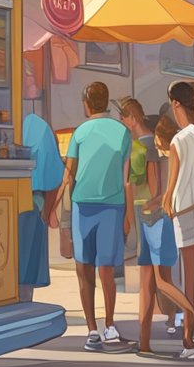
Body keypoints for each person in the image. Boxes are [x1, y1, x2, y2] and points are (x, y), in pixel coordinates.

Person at [61, 81, 132, 352]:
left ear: (87, 103)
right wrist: (127, 215)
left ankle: (92, 330)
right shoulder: (122, 132)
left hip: (83, 207)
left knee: (84, 271)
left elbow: (69, 175)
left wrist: (62, 214)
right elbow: (125, 178)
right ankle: (110, 325)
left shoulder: (80, 132)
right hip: (112, 206)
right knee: (106, 272)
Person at [129, 111, 194, 356]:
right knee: (149, 283)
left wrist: (149, 203)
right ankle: (144, 341)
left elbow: (161, 195)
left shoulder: (168, 157)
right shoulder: (166, 156)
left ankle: (188, 312)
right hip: (154, 221)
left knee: (158, 281)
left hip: (159, 221)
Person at [118, 98, 180, 335]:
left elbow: (154, 184)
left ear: (132, 118)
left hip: (146, 209)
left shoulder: (146, 146)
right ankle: (162, 313)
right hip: (143, 207)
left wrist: (148, 206)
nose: (123, 122)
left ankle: (172, 312)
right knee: (153, 266)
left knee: (155, 267)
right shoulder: (141, 144)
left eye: (125, 118)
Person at [165, 81, 194, 359]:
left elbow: (172, 186)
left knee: (184, 274)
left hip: (182, 208)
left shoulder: (178, 140)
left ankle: (187, 340)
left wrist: (165, 201)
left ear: (176, 104)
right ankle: (191, 333)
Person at [21, 114, 63, 301]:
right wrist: (49, 210)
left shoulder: (23, 128)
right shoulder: (43, 132)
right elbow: (54, 177)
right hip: (35, 205)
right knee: (28, 265)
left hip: (14, 203)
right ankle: (25, 301)